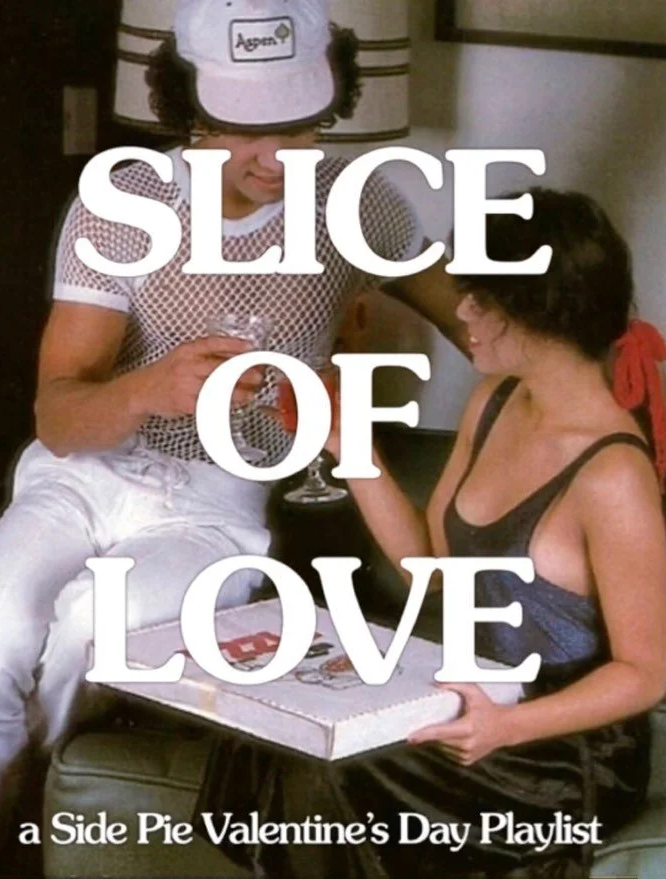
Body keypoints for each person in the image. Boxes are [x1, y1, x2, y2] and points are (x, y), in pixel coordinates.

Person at [0, 0, 465, 871]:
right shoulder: (126, 205)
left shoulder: (357, 202)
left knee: (84, 632)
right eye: (246, 128)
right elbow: (58, 418)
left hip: (215, 509)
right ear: (190, 108)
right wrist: (152, 387)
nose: (278, 157)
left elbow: (481, 320)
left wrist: (601, 353)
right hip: (83, 476)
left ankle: (0, 834)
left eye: (299, 125)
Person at [195, 188, 666, 878]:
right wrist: (349, 444)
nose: (462, 311)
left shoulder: (613, 474)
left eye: (481, 297)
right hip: (474, 699)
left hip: (558, 749)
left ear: (541, 309)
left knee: (326, 774)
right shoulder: (495, 399)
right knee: (270, 732)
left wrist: (506, 727)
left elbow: (647, 674)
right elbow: (429, 568)